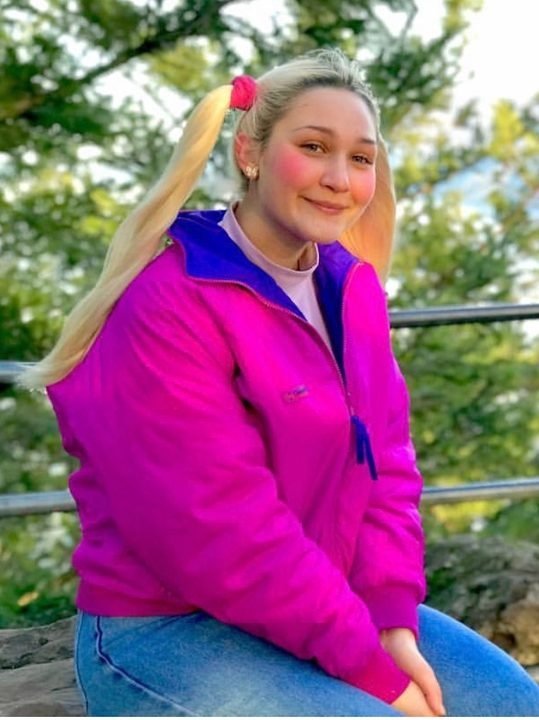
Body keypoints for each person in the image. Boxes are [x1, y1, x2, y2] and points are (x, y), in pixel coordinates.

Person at [22, 48, 539, 717]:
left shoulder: (350, 290)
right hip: (168, 628)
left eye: (360, 158)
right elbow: (220, 531)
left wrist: (390, 622)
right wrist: (372, 673)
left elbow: (386, 468)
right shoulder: (170, 303)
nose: (338, 178)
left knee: (514, 705)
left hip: (325, 604)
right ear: (249, 153)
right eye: (313, 147)